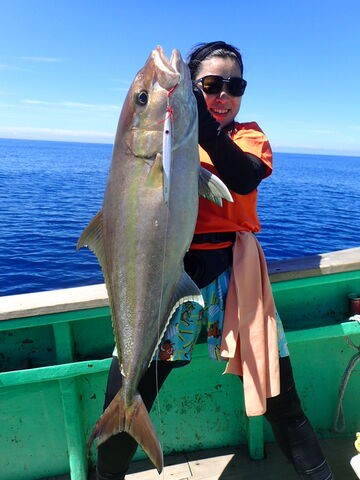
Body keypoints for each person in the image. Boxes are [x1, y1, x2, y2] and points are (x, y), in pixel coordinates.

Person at [96, 41, 333, 480]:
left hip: (238, 279)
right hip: (171, 280)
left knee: (281, 396)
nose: (223, 95)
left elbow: (243, 178)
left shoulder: (249, 137)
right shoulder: (169, 141)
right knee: (131, 390)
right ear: (189, 87)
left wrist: (201, 127)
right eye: (209, 84)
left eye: (234, 85)